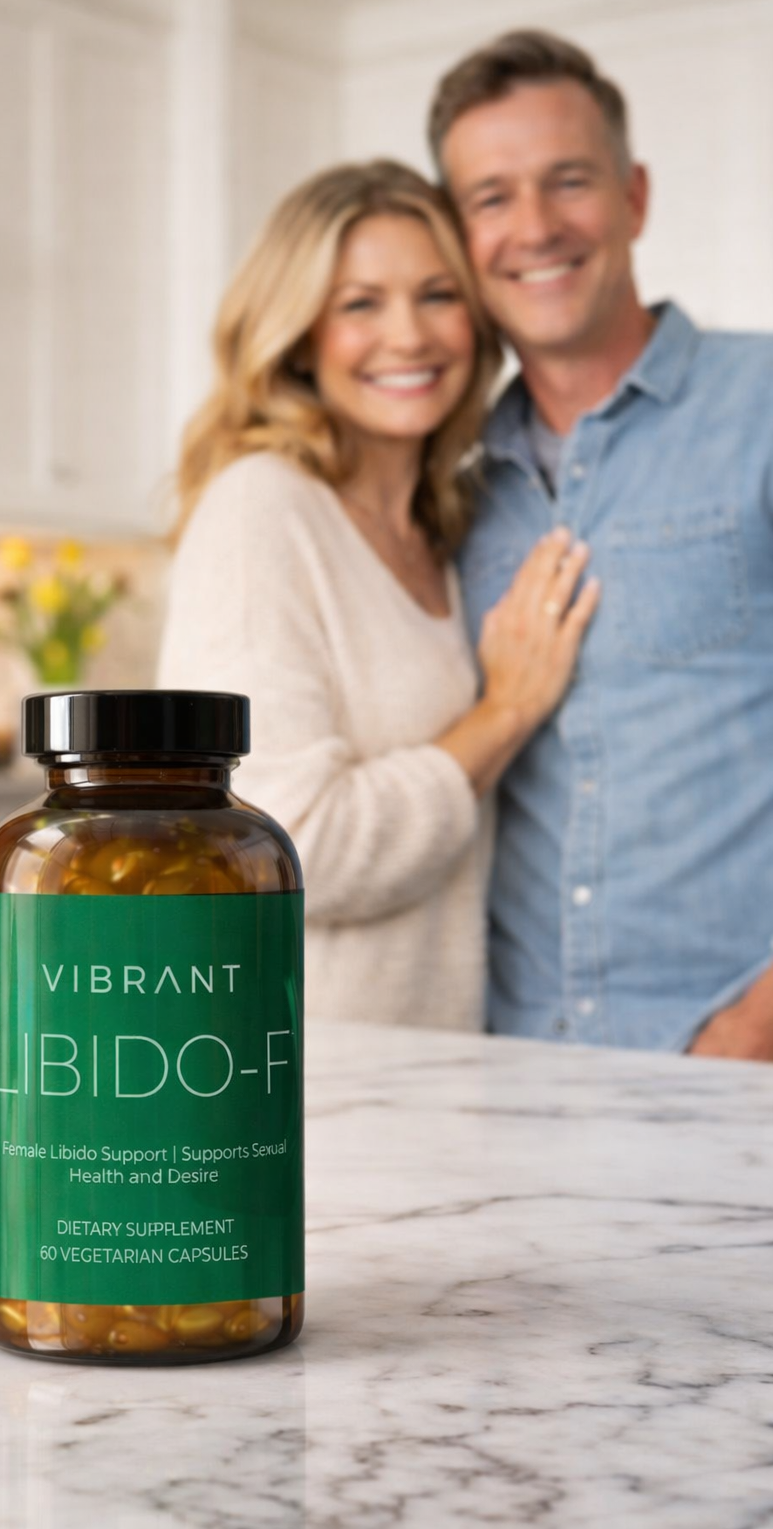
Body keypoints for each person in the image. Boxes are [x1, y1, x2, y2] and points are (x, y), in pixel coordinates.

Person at [429, 29, 773, 1063]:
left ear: (633, 196)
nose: (533, 227)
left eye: (567, 181)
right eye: (490, 197)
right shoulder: (455, 481)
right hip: (529, 1078)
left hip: (768, 1073)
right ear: (458, 232)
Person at [158, 161, 599, 1029]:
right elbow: (280, 846)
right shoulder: (262, 508)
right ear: (298, 333)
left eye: (437, 295)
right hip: (299, 1081)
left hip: (432, 1067)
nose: (410, 335)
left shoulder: (446, 528)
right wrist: (503, 713)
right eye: (360, 304)